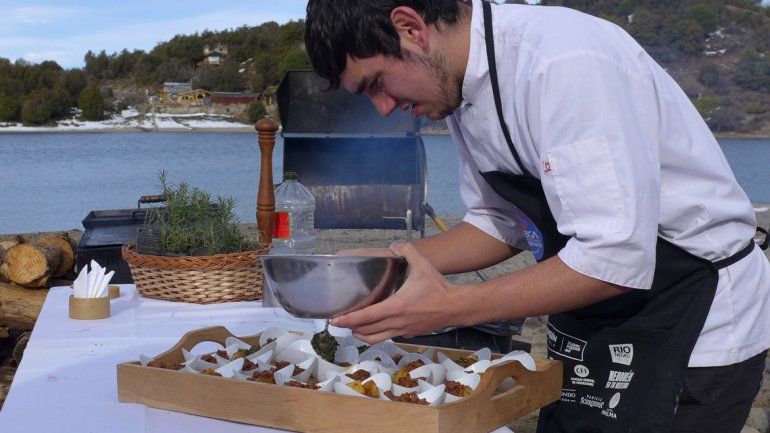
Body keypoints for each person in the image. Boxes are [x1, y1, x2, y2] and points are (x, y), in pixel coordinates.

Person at [304, 1, 770, 432]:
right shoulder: (456, 86)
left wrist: (450, 306)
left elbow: (615, 257)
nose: (383, 108)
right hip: (588, 320)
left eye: (376, 84)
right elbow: (500, 222)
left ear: (411, 28)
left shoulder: (563, 62)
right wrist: (386, 260)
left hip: (692, 317)